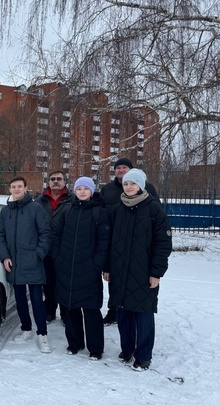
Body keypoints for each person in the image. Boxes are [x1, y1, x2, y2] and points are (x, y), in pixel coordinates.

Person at [103, 169, 172, 371]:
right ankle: (127, 350)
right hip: (120, 271)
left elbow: (163, 243)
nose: (129, 187)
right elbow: (109, 242)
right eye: (126, 184)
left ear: (141, 185)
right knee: (123, 313)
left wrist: (156, 273)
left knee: (143, 314)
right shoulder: (117, 209)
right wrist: (107, 267)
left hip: (144, 273)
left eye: (133, 183)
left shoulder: (153, 209)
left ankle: (143, 356)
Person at [52, 177, 110, 361]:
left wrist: (96, 264)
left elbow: (104, 242)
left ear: (92, 191)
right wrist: (58, 258)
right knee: (70, 308)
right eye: (79, 188)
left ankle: (96, 348)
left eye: (86, 188)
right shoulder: (67, 210)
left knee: (91, 310)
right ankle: (74, 343)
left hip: (88, 269)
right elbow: (56, 235)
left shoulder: (99, 212)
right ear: (75, 191)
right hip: (66, 268)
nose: (82, 191)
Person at [100, 157, 159, 325]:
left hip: (140, 244)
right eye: (118, 168)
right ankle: (114, 310)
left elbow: (155, 217)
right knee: (115, 283)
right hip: (116, 240)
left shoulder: (148, 190)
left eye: (124, 167)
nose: (121, 170)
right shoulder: (109, 189)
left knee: (138, 284)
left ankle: (135, 314)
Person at [0, 176, 53, 353]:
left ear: (26, 188)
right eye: (13, 187)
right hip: (14, 263)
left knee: (37, 300)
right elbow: (1, 236)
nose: (16, 189)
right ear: (10, 189)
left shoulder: (35, 208)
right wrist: (5, 256)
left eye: (19, 186)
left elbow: (45, 234)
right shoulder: (6, 211)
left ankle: (42, 335)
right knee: (20, 300)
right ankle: (26, 329)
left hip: (32, 262)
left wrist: (38, 255)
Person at [37, 170, 73, 323]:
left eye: (59, 179)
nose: (56, 181)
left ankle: (66, 314)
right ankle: (50, 311)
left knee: (64, 283)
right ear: (48, 182)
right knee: (48, 283)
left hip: (65, 250)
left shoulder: (72, 200)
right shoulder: (40, 201)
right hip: (46, 250)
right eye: (53, 179)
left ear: (65, 182)